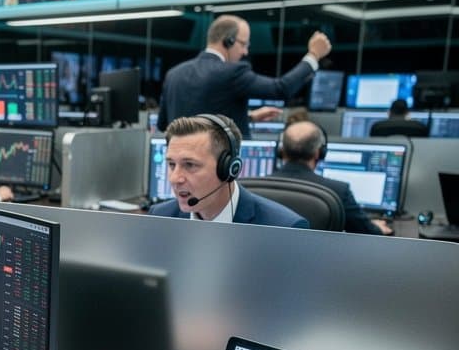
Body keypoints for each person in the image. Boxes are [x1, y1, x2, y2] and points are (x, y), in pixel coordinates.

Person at [157, 15, 332, 138]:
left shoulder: (174, 74)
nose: (245, 51)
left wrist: (248, 117)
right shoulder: (232, 72)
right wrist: (313, 56)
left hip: (181, 172)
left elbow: (166, 125)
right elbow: (282, 89)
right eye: (243, 44)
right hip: (220, 175)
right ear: (229, 41)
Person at [148, 114, 308, 227]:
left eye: (190, 165)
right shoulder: (161, 217)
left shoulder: (283, 228)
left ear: (228, 168)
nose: (175, 178)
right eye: (171, 164)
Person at [276, 121, 393, 235]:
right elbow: (365, 232)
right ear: (319, 153)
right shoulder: (338, 190)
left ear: (282, 151)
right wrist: (377, 228)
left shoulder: (259, 186)